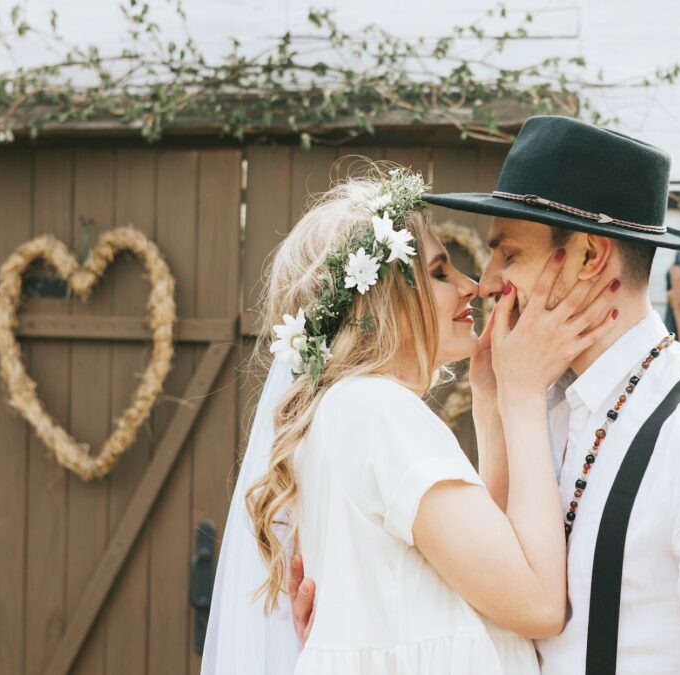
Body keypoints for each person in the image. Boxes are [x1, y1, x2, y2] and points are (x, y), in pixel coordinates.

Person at [291, 117, 680, 674]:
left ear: (589, 257)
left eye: (507, 255)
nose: (485, 283)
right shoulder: (534, 409)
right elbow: (489, 604)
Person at [201, 164, 623, 675]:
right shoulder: (377, 411)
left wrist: (488, 405)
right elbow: (536, 604)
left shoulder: (346, 411)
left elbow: (479, 566)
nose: (471, 286)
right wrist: (523, 395)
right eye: (440, 272)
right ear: (382, 300)